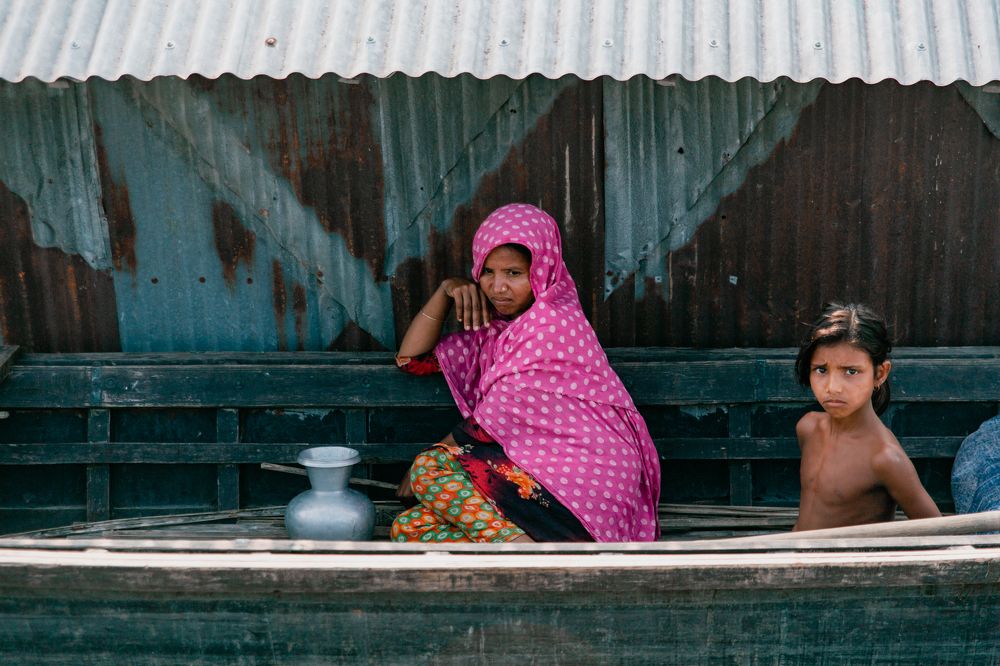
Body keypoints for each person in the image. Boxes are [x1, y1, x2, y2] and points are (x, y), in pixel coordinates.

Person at [390, 203, 661, 543]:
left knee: (429, 468)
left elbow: (492, 419)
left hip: (584, 485)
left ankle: (519, 550)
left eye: (513, 273)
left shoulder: (551, 323)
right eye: (487, 272)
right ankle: (528, 551)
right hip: (531, 479)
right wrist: (445, 291)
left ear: (542, 269)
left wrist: (425, 466)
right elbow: (411, 359)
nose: (497, 287)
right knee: (410, 528)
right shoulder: (497, 332)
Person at [791, 302, 940, 531]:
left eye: (851, 371)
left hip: (847, 565)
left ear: (879, 374)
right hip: (791, 556)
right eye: (821, 370)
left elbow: (939, 532)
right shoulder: (808, 428)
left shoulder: (885, 459)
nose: (833, 387)